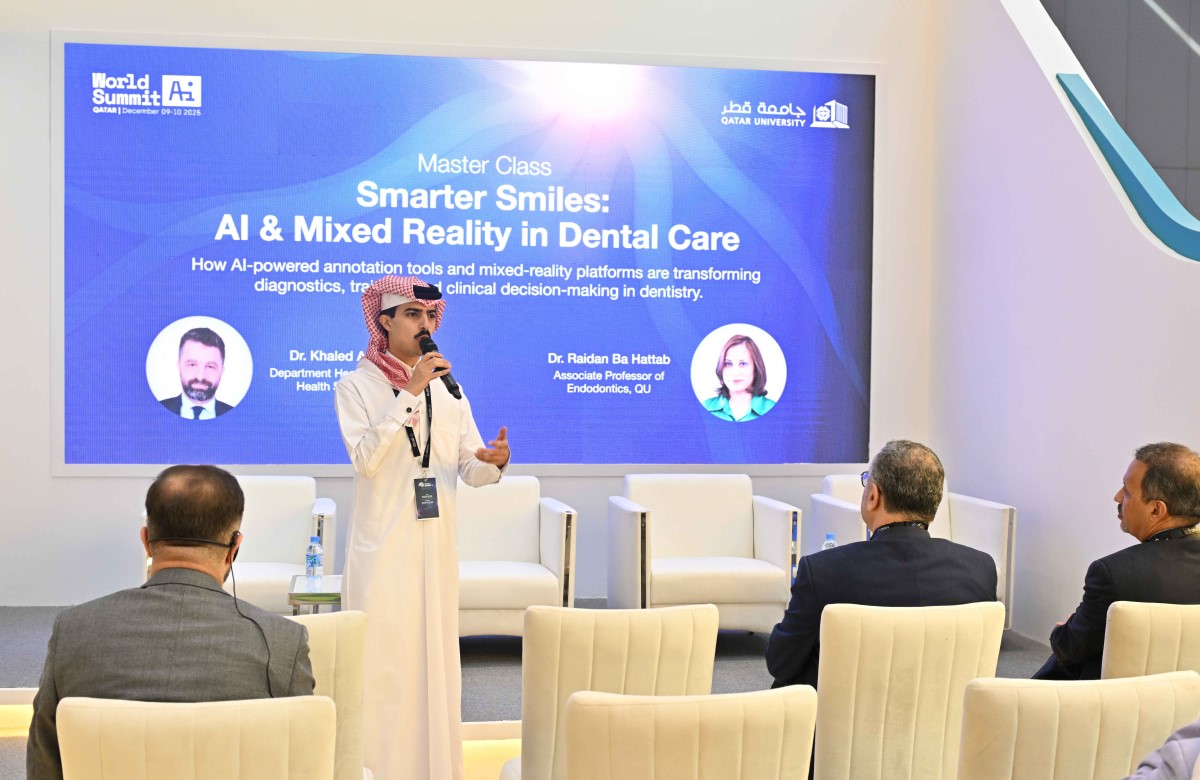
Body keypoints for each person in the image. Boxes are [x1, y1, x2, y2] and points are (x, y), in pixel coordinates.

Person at [26, 465, 314, 780]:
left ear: (145, 539)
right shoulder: (283, 642)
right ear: (234, 548)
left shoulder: (74, 629)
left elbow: (44, 766)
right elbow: (303, 764)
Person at [334, 275, 509, 780]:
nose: (425, 324)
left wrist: (494, 463)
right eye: (412, 314)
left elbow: (468, 468)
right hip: (383, 552)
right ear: (383, 322)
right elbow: (366, 460)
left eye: (430, 315)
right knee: (383, 668)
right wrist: (409, 393)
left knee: (435, 667)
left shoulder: (450, 392)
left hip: (436, 552)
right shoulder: (355, 387)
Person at [765, 440, 997, 689]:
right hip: (945, 711)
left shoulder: (822, 571)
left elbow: (781, 663)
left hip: (846, 712)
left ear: (873, 496)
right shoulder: (980, 568)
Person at [1033, 442, 1200, 680]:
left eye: (1127, 491)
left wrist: (1065, 629)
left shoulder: (1113, 573)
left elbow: (1071, 648)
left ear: (1156, 510)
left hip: (1119, 699)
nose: (1117, 497)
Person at [159, 327, 235, 419]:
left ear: (221, 371)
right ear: (179, 366)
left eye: (210, 366)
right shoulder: (153, 412)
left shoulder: (238, 418)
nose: (200, 376)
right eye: (192, 365)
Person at [703, 334, 776, 422]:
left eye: (743, 364)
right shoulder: (706, 407)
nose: (735, 372)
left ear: (756, 369)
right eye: (728, 364)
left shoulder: (773, 409)